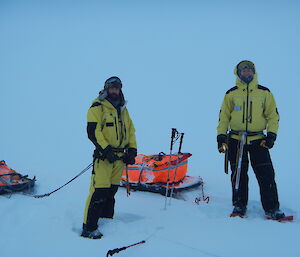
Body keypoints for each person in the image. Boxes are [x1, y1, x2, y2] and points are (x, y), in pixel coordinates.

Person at [217, 60, 285, 220]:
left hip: (258, 140)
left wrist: (271, 135)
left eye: (249, 70)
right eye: (243, 71)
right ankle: (239, 205)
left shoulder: (264, 93)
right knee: (238, 174)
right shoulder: (231, 94)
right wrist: (221, 136)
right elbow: (223, 117)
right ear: (238, 73)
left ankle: (272, 208)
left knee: (266, 174)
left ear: (254, 73)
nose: (246, 73)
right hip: (235, 140)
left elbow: (273, 116)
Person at [81, 76, 137, 239]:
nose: (114, 91)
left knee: (111, 192)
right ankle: (89, 228)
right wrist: (106, 151)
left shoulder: (123, 109)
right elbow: (93, 132)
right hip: (104, 158)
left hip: (119, 159)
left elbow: (131, 131)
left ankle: (106, 221)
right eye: (111, 88)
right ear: (106, 89)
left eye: (117, 88)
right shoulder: (97, 107)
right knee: (99, 191)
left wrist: (132, 150)